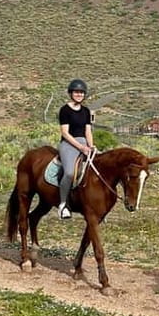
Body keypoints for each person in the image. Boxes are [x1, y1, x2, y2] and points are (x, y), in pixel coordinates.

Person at [57, 78, 95, 219]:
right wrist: (80, 147)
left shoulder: (86, 111)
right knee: (69, 173)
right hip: (69, 144)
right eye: (76, 92)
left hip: (84, 143)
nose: (79, 95)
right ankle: (63, 204)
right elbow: (65, 133)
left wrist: (90, 146)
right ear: (71, 93)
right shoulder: (65, 110)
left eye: (81, 92)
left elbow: (88, 131)